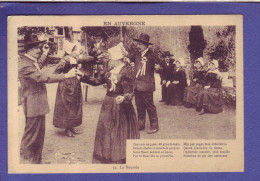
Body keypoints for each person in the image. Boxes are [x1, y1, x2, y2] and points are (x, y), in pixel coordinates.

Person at [19, 36, 77, 164]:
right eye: (36, 48)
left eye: (39, 48)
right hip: (33, 105)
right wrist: (66, 75)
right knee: (31, 136)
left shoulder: (30, 61)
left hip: (37, 104)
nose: (39, 50)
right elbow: (42, 77)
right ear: (28, 50)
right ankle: (27, 163)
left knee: (39, 135)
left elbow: (38, 66)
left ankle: (36, 161)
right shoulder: (25, 65)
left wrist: (45, 53)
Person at [80, 47, 140, 164]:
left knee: (119, 131)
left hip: (121, 105)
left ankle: (118, 157)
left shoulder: (126, 71)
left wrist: (124, 97)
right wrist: (83, 77)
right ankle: (107, 156)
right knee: (107, 129)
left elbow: (131, 89)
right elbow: (97, 81)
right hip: (108, 103)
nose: (109, 59)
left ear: (117, 58)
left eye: (110, 57)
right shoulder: (111, 70)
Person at [53, 41, 84, 137]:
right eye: (74, 49)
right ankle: (67, 128)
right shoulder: (64, 60)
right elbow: (55, 73)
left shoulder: (74, 58)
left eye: (75, 49)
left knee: (74, 105)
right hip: (66, 85)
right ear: (69, 50)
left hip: (75, 83)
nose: (76, 51)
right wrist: (65, 75)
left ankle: (72, 126)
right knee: (67, 106)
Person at [132, 33, 160, 134]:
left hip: (147, 85)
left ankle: (154, 125)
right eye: (138, 44)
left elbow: (160, 65)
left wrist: (158, 68)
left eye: (140, 44)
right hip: (137, 84)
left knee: (149, 105)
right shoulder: (136, 54)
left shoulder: (152, 55)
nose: (138, 46)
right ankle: (141, 124)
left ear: (146, 45)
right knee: (139, 105)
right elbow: (129, 60)